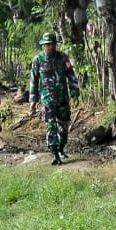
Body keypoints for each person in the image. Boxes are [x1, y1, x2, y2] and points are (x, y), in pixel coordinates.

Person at [28, 32, 80, 165]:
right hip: (47, 100)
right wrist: (33, 101)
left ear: (55, 45)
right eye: (47, 45)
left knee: (63, 127)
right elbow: (34, 81)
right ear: (43, 46)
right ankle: (54, 153)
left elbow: (71, 76)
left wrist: (75, 94)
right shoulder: (38, 60)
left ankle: (61, 148)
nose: (49, 47)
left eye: (52, 44)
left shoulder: (63, 58)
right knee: (51, 125)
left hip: (62, 98)